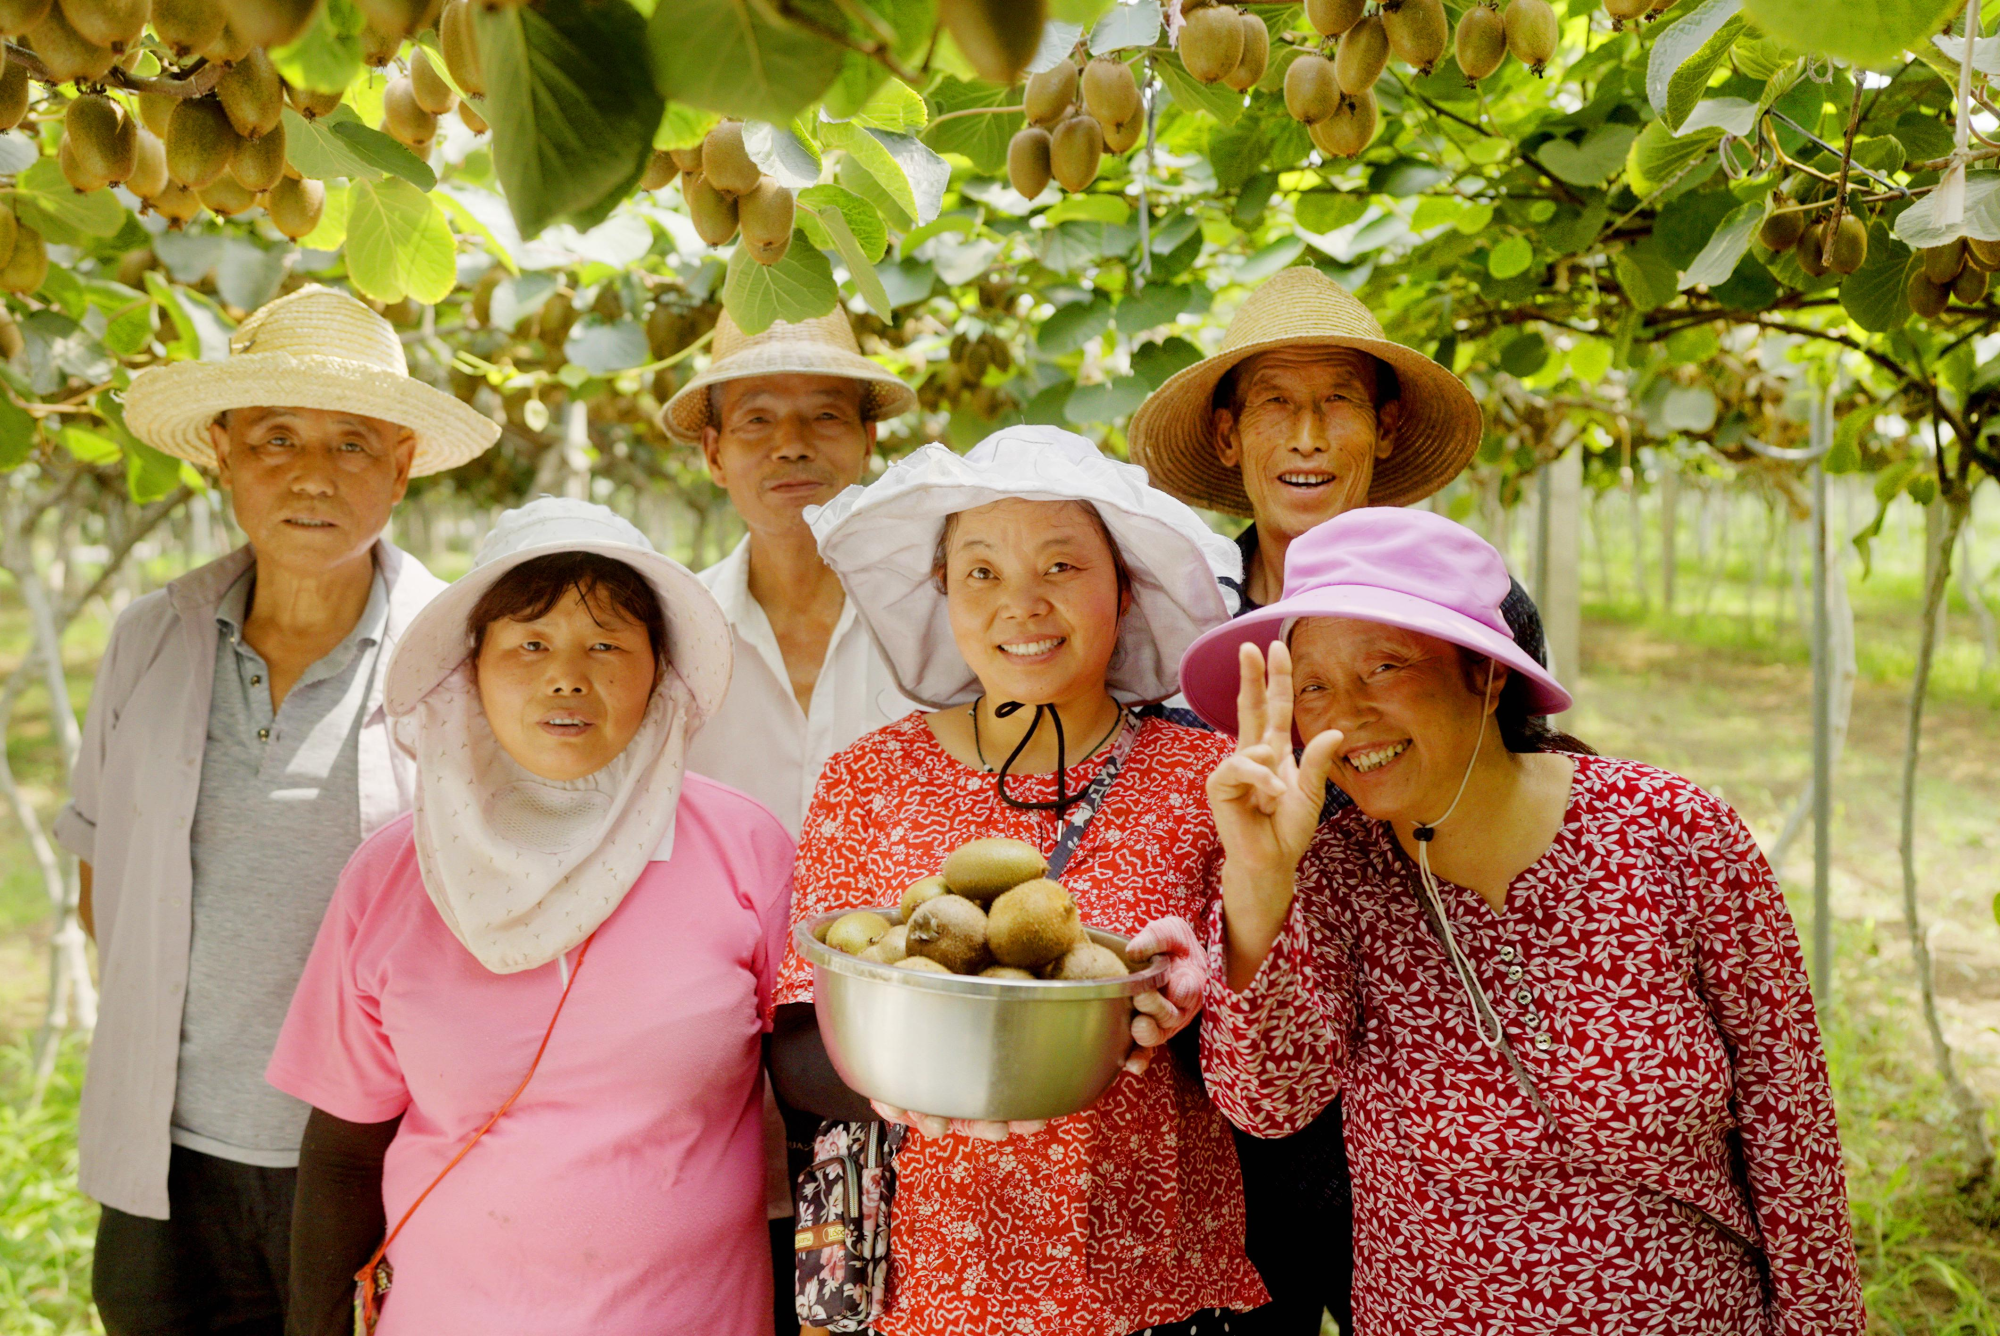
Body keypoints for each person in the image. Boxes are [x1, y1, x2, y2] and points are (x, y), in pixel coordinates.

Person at [1181, 508, 1865, 1334]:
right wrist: (1258, 880)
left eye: (1383, 667)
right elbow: (1267, 1104)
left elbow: (1794, 1134)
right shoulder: (1332, 877)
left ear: (1489, 674)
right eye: (1314, 686)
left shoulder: (1677, 835)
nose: (1345, 716)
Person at [55, 285, 498, 1336]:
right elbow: (96, 884)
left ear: (399, 465)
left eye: (352, 443)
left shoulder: (461, 658)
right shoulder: (150, 639)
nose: (311, 473)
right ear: (220, 450)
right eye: (276, 437)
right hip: (167, 1159)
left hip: (366, 1158)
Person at [769, 426, 1269, 1336]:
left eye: (1062, 567)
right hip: (923, 1281)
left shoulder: (1209, 779)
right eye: (982, 573)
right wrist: (919, 1078)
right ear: (944, 594)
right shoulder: (865, 777)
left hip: (1145, 1276)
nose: (1021, 606)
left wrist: (1185, 1006)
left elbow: (1264, 1049)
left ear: (1125, 589)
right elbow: (801, 1043)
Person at [269, 497, 793, 1335]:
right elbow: (341, 1154)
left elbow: (812, 1099)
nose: (567, 676)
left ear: (660, 669)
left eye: (608, 644)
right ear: (471, 671)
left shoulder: (746, 849)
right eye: (530, 644)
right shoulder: (391, 877)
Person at [1128, 263, 1494, 1334]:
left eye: (1333, 403)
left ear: (1379, 431)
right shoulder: (1173, 619)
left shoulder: (1464, 603)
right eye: (1275, 408)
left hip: (1414, 1057)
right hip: (1231, 1061)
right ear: (1230, 437)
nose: (1304, 437)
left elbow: (1503, 786)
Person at [661, 308, 921, 1331]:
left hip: (900, 1078)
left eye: (823, 416)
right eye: (758, 419)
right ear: (714, 452)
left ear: (866, 444)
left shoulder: (941, 629)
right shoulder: (668, 640)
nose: (793, 445)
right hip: (712, 1080)